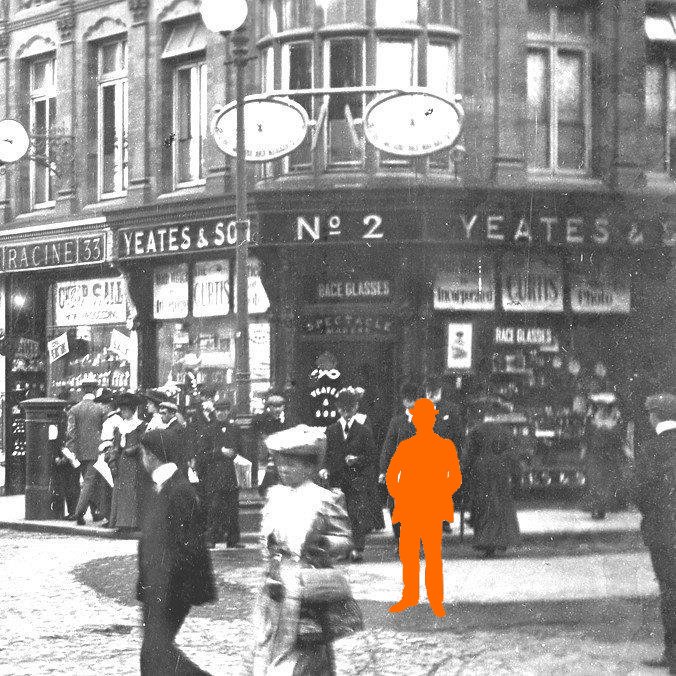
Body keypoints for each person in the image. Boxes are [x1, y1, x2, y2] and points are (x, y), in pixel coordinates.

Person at [252, 426, 360, 674]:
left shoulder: (324, 499)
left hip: (308, 585)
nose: (283, 469)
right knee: (268, 642)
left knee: (306, 647)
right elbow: (265, 540)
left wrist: (325, 546)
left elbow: (345, 539)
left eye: (291, 464)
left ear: (309, 467)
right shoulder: (275, 497)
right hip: (275, 583)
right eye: (280, 463)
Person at [137, 426, 216, 676]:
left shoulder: (178, 490)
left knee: (154, 653)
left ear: (151, 456)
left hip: (171, 587)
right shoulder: (163, 486)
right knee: (154, 654)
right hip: (159, 586)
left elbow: (187, 547)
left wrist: (163, 585)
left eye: (143, 454)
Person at [386, 397, 462, 617]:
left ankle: (435, 599)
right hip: (411, 507)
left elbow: (455, 478)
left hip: (431, 509)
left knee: (432, 555)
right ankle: (410, 596)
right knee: (410, 555)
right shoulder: (406, 447)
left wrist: (439, 493)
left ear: (432, 421)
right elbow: (392, 476)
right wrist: (401, 495)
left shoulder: (444, 447)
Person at [633, 392, 676, 674]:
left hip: (663, 531)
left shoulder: (649, 449)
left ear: (654, 417)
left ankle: (673, 655)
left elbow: (639, 493)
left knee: (670, 592)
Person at [321, 387, 377, 562]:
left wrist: (357, 460)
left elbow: (371, 456)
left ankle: (358, 548)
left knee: (356, 514)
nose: (346, 414)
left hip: (357, 479)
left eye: (350, 409)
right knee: (338, 516)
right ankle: (342, 548)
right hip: (337, 479)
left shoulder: (364, 431)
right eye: (343, 410)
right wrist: (324, 468)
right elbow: (326, 455)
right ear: (338, 409)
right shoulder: (331, 430)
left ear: (356, 408)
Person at [463, 413, 522, 558]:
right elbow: (513, 456)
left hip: (480, 471)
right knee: (500, 505)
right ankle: (500, 540)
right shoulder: (505, 432)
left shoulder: (476, 431)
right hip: (501, 470)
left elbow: (467, 456)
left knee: (483, 506)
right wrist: (516, 477)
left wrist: (464, 473)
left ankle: (485, 542)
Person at [196, 400, 244, 549]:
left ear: (228, 411)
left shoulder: (235, 429)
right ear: (214, 412)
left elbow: (241, 450)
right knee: (214, 508)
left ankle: (233, 539)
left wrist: (234, 454)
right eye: (218, 411)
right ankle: (211, 538)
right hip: (214, 476)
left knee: (232, 508)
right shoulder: (207, 431)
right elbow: (202, 454)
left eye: (224, 410)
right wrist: (220, 452)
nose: (221, 413)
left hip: (231, 475)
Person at [379, 382, 423, 542]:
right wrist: (383, 470)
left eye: (413, 399)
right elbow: (388, 447)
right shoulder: (396, 422)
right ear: (403, 401)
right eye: (406, 399)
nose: (409, 402)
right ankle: (400, 539)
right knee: (395, 506)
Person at [66, 379, 106, 525]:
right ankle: (79, 512)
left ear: (83, 391)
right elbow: (105, 431)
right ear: (95, 390)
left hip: (80, 453)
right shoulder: (101, 409)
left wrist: (72, 452)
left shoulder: (74, 409)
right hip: (96, 451)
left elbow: (71, 432)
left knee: (89, 482)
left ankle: (96, 513)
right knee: (90, 482)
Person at [582, 393, 629, 519]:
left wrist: (624, 451)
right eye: (600, 406)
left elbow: (620, 438)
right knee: (594, 481)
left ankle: (604, 507)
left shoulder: (616, 420)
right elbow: (586, 437)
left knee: (607, 482)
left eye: (605, 406)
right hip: (594, 454)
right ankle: (596, 508)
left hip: (610, 455)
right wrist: (584, 451)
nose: (602, 408)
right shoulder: (591, 419)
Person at [107, 392, 149, 533]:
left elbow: (144, 444)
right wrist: (113, 461)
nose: (124, 413)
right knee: (121, 492)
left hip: (135, 463)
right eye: (122, 410)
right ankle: (122, 522)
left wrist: (134, 449)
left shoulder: (141, 426)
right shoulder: (120, 427)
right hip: (122, 463)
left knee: (133, 492)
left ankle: (133, 523)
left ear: (133, 410)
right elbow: (115, 446)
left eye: (126, 410)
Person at [253, 392, 288, 497]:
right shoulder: (263, 419)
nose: (277, 409)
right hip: (268, 455)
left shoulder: (287, 420)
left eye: (279, 406)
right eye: (274, 406)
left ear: (283, 407)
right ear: (269, 407)